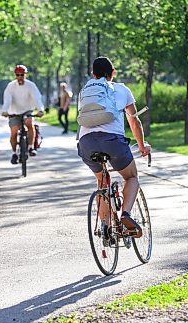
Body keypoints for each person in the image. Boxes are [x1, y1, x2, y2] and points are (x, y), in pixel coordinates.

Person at [77, 56, 151, 238]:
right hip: (113, 141)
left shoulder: (85, 91)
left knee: (102, 181)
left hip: (85, 142)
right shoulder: (122, 89)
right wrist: (142, 146)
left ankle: (105, 226)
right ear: (113, 73)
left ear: (93, 75)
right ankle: (125, 214)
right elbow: (134, 122)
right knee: (131, 176)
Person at [2, 65, 44, 164]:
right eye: (18, 75)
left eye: (22, 75)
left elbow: (36, 98)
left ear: (25, 75)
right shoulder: (11, 86)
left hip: (27, 110)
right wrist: (5, 110)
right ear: (15, 75)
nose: (20, 77)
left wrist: (40, 110)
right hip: (14, 112)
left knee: (29, 123)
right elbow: (7, 99)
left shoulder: (30, 85)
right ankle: (14, 153)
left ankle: (30, 147)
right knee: (14, 131)